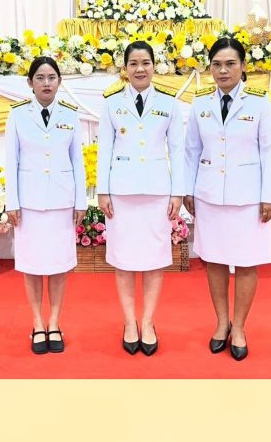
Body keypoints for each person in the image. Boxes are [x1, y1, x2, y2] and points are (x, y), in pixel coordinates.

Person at [183, 38, 271, 361]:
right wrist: (187, 189)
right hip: (210, 194)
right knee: (213, 260)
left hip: (248, 197)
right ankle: (221, 323)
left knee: (246, 262)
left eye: (230, 64)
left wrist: (270, 196)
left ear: (243, 66)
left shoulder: (260, 102)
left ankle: (239, 327)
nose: (223, 71)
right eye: (217, 65)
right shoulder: (200, 102)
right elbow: (191, 150)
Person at [96, 41, 185, 356]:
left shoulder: (169, 103)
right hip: (121, 193)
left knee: (154, 260)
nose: (139, 69)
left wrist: (177, 192)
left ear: (154, 66)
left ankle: (147, 322)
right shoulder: (111, 104)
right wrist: (102, 190)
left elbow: (178, 151)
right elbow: (104, 150)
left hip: (157, 192)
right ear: (125, 68)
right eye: (133, 63)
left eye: (145, 62)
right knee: (123, 259)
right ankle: (129, 322)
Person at [5, 57, 87, 355]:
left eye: (52, 77)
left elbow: (77, 160)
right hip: (29, 202)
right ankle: (37, 322)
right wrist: (12, 202)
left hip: (61, 202)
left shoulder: (70, 114)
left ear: (59, 81)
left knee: (58, 265)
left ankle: (54, 322)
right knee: (32, 265)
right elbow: (11, 160)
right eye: (40, 78)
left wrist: (81, 201)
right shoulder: (17, 114)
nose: (46, 83)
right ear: (30, 83)